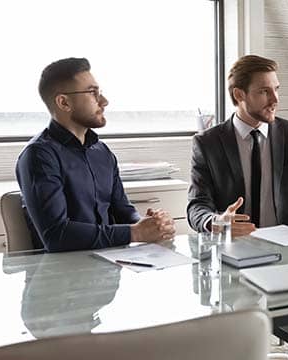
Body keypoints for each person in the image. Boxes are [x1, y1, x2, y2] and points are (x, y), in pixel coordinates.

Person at [16, 57, 175, 252]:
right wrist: (136, 232)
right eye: (93, 93)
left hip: (110, 267)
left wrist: (149, 224)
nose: (104, 101)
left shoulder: (102, 152)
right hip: (62, 275)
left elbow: (123, 211)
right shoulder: (38, 156)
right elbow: (57, 236)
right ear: (64, 102)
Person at [187, 55, 288, 236]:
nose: (275, 99)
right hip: (234, 248)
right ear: (239, 94)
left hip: (287, 246)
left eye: (276, 89)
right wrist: (216, 222)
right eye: (264, 91)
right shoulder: (207, 143)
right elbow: (197, 205)